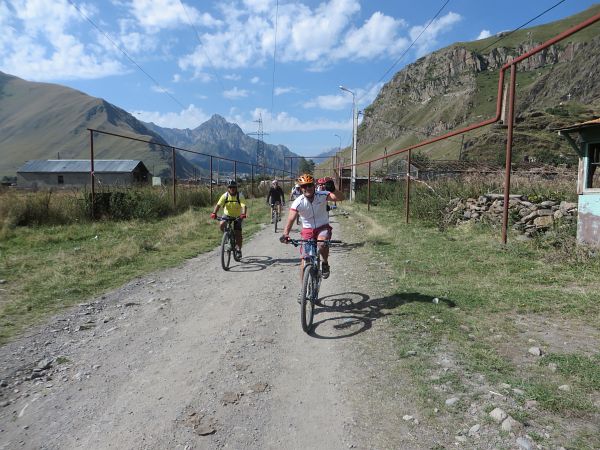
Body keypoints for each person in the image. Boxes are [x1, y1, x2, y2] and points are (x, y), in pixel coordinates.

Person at [280, 173, 344, 280]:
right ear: (300, 188)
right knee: (304, 261)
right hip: (308, 230)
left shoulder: (322, 195)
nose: (307, 188)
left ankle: (325, 263)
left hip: (322, 227)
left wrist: (334, 190)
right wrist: (285, 234)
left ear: (314, 186)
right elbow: (291, 219)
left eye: (309, 185)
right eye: (304, 186)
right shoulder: (298, 202)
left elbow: (340, 197)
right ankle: (304, 291)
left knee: (321, 243)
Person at [210, 180, 247, 260]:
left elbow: (244, 206)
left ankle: (238, 249)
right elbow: (218, 205)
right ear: (228, 188)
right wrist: (214, 213)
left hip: (237, 216)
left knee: (238, 233)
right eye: (230, 187)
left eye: (234, 187)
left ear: (236, 188)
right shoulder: (225, 196)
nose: (232, 189)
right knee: (221, 224)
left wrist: (243, 214)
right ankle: (227, 237)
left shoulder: (240, 196)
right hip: (227, 215)